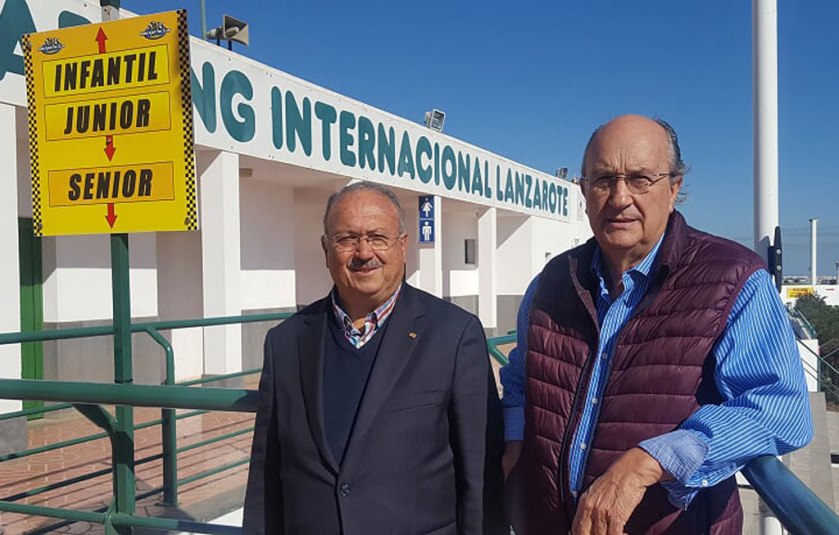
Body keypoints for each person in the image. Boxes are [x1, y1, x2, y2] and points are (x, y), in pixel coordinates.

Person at [499, 114, 813, 534]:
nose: (620, 197)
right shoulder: (550, 282)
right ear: (583, 190)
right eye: (603, 179)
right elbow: (521, 379)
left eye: (640, 179)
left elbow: (780, 409)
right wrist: (514, 444)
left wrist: (650, 462)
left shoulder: (733, 279)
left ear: (674, 188)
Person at [243, 181, 506, 534]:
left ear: (403, 246)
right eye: (347, 238)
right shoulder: (285, 342)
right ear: (325, 248)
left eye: (378, 238)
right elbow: (265, 477)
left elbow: (480, 477)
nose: (364, 252)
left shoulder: (454, 335)